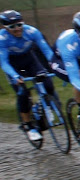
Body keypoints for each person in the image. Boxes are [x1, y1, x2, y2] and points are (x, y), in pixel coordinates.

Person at [0, 10, 56, 141]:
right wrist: (14, 76)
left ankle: (45, 107)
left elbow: (46, 50)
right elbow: (4, 62)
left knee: (48, 84)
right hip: (13, 65)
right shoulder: (2, 39)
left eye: (19, 24)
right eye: (12, 27)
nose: (18, 29)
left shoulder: (31, 31)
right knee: (23, 93)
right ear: (5, 28)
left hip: (30, 60)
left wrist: (55, 65)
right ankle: (28, 125)